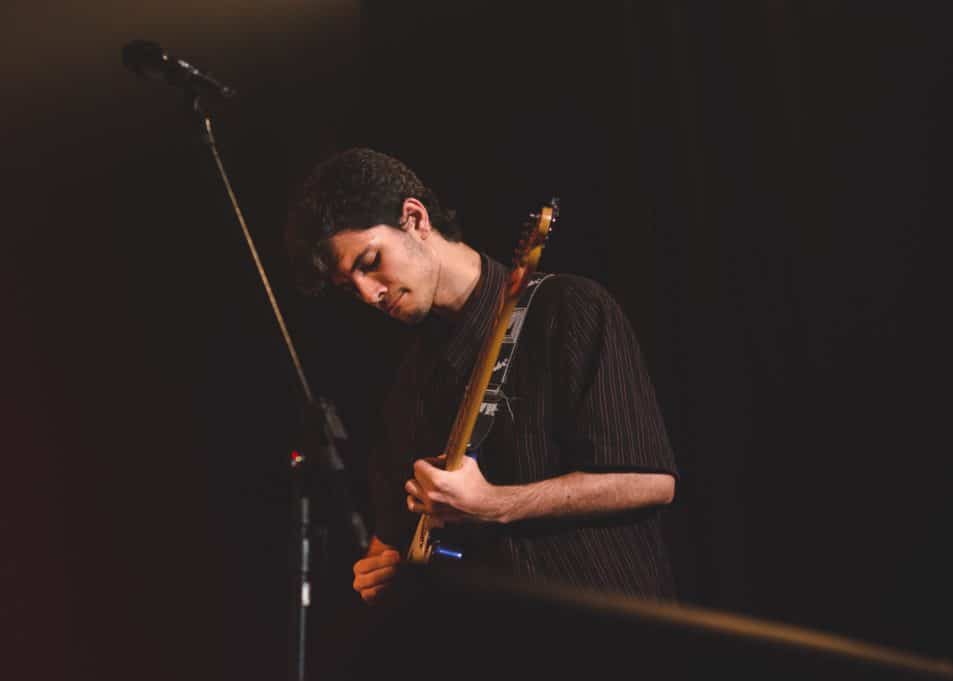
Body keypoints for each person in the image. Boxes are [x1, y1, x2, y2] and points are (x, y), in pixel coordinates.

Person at [284, 147, 679, 606]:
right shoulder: (408, 388)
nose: (370, 294)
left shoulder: (568, 309)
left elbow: (651, 480)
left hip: (610, 633)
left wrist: (495, 504)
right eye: (350, 288)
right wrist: (383, 570)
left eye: (370, 262)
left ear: (415, 218)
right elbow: (392, 539)